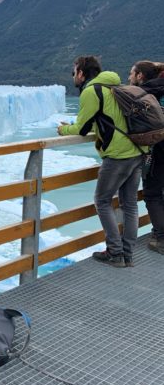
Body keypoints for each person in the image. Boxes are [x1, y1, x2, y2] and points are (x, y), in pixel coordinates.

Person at [57, 55, 143, 267]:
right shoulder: (115, 86)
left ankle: (115, 253)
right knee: (130, 204)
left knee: (103, 201)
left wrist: (63, 129)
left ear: (81, 73)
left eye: (74, 71)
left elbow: (82, 127)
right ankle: (127, 254)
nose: (73, 76)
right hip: (136, 150)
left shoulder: (91, 91)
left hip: (118, 154)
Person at [128, 60, 164, 254]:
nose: (129, 78)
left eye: (131, 74)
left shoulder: (146, 93)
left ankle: (160, 238)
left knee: (152, 193)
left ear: (140, 76)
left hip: (157, 150)